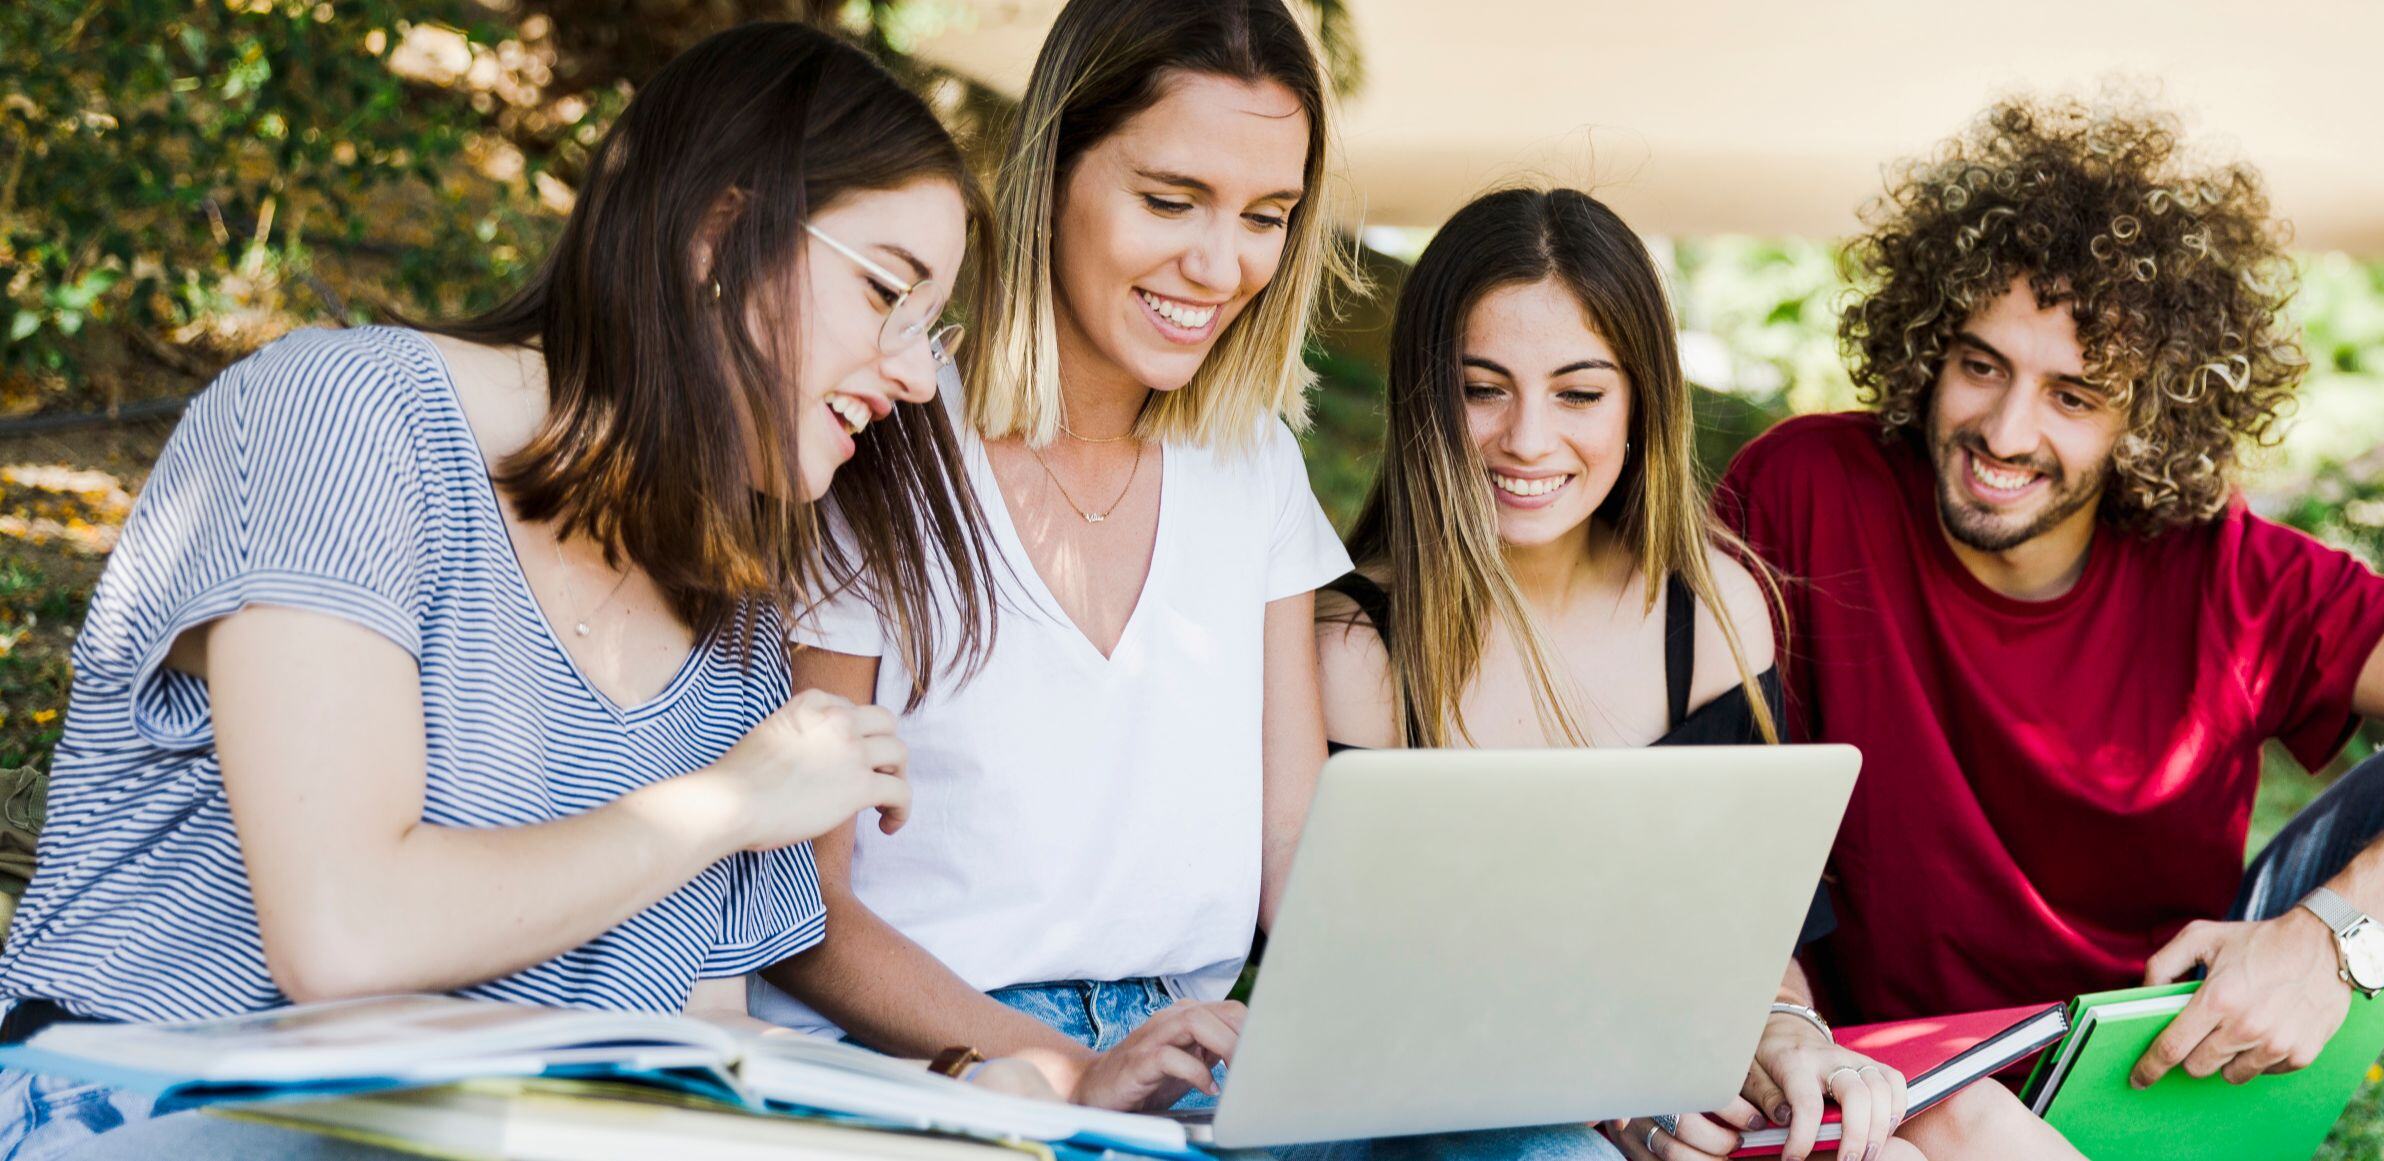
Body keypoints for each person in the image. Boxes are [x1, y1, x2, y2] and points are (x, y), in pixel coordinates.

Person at [0, 23, 999, 1157]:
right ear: (719, 236)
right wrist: (725, 804)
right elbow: (344, 935)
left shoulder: (736, 644)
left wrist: (969, 1095)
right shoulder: (342, 420)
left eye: (933, 327)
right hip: (144, 1119)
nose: (919, 378)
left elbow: (713, 1065)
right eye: (885, 293)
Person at [1716, 93, 2384, 1149]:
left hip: (2163, 1061)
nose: (2005, 431)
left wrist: (2328, 940)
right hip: (1900, 1086)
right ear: (1928, 346)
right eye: (1981, 365)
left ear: (2152, 414)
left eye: (2075, 395)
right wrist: (1779, 1018)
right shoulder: (1805, 489)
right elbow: (1704, 796)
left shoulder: (2229, 571)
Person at [1316, 188, 2078, 1161]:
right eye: (1481, 388)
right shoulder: (1357, 648)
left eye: (1580, 393)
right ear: (1424, 397)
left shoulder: (1712, 613)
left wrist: (1792, 1038)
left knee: (1959, 1129)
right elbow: (1365, 1013)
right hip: (1450, 1119)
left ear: (1642, 403)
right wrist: (1626, 1108)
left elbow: (1762, 953)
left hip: (1665, 1098)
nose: (1529, 439)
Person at [752, 0, 1359, 1120]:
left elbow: (1293, 834)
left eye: (1268, 215)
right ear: (1051, 174)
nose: (1222, 265)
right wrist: (1067, 1071)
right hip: (927, 1062)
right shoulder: (871, 433)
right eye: (1171, 201)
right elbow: (802, 902)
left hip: (1193, 1056)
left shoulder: (1254, 464)